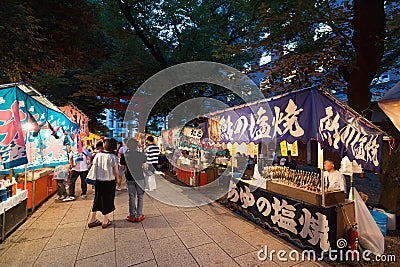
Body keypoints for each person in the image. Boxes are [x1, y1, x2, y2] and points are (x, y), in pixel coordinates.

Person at [87, 138, 120, 229]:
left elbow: (94, 167)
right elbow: (116, 171)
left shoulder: (98, 155)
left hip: (98, 181)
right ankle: (105, 221)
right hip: (109, 182)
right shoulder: (114, 157)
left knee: (97, 199)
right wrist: (118, 180)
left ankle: (92, 219)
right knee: (108, 200)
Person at [120, 139, 147, 223]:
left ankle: (132, 215)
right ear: (136, 145)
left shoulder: (124, 155)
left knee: (131, 196)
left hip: (130, 178)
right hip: (140, 177)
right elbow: (145, 167)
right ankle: (139, 215)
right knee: (140, 196)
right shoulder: (141, 155)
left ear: (127, 146)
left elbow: (122, 168)